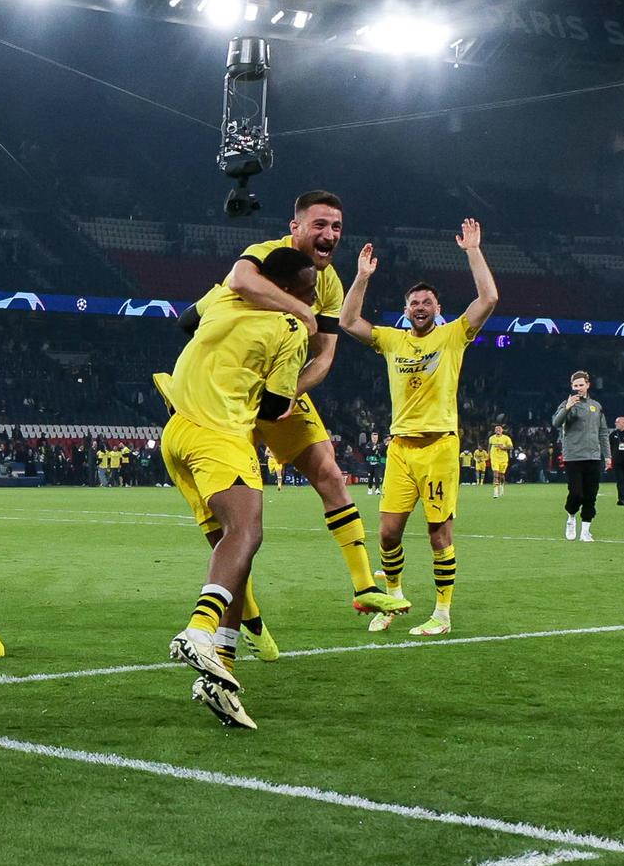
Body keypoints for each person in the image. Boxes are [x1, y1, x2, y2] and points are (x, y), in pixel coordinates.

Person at [181, 191, 406, 623]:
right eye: (320, 224)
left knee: (330, 472)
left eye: (336, 227)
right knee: (237, 519)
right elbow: (240, 284)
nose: (330, 234)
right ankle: (244, 614)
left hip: (281, 393)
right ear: (295, 227)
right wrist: (299, 311)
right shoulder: (265, 254)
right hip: (227, 400)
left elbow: (323, 358)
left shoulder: (331, 283)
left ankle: (365, 588)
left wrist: (289, 394)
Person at [152, 247, 318, 730]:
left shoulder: (223, 296)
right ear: (288, 291)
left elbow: (186, 322)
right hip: (221, 433)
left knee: (232, 554)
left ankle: (219, 673)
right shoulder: (289, 329)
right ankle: (200, 629)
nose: (309, 305)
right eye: (306, 293)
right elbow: (272, 408)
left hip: (176, 431)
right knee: (247, 533)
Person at [341, 220, 501, 637]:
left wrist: (472, 251)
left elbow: (489, 297)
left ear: (436, 307)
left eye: (426, 302)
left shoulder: (453, 337)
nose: (419, 307)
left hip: (439, 448)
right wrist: (361, 277)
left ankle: (442, 615)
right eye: (414, 303)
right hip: (401, 449)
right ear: (406, 309)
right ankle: (393, 600)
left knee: (437, 533)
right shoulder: (392, 340)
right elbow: (347, 320)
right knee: (388, 532)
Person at [553, 371, 606, 542]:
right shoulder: (566, 404)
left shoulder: (596, 406)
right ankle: (570, 517)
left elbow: (603, 432)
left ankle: (585, 531)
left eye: (581, 385)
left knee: (591, 495)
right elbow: (556, 423)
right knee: (576, 493)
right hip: (573, 456)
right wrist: (568, 407)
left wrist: (608, 456)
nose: (578, 389)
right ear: (571, 387)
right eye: (575, 386)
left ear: (588, 385)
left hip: (593, 456)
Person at [488, 424, 513, 499]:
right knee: (495, 474)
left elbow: (511, 447)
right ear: (495, 430)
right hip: (494, 458)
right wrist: (488, 454)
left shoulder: (506, 438)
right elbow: (489, 446)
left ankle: (501, 486)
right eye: (496, 429)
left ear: (502, 430)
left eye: (499, 429)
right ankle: (495, 492)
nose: (498, 430)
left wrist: (504, 447)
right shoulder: (491, 438)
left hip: (503, 459)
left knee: (501, 475)